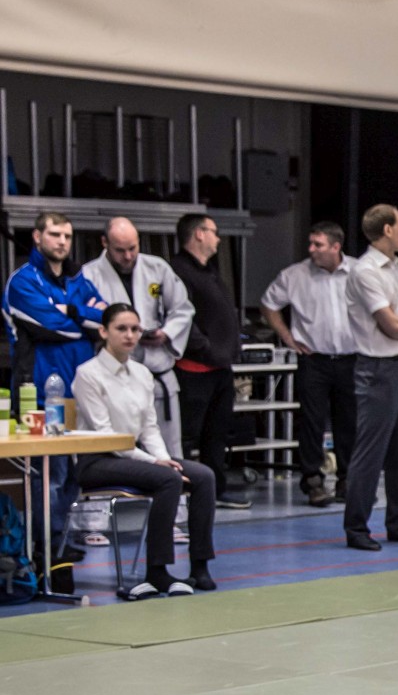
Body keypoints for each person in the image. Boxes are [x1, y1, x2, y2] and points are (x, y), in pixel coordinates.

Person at [72, 303, 217, 599]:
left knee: (204, 476)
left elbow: (149, 428)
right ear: (103, 332)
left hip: (134, 456)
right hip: (97, 459)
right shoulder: (87, 374)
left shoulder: (141, 373)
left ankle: (200, 565)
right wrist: (155, 463)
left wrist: (162, 458)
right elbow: (106, 436)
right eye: (121, 329)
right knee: (168, 479)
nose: (129, 335)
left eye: (135, 329)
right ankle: (157, 570)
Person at [1, 210, 106, 555]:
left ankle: (60, 543)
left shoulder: (78, 279)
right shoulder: (22, 281)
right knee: (50, 475)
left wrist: (71, 310)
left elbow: (106, 319)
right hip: (41, 395)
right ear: (37, 237)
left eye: (67, 236)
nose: (62, 242)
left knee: (76, 474)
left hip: (82, 390)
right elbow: (51, 326)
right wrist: (82, 317)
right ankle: (44, 548)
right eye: (54, 235)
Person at [342, 203, 398, 551]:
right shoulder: (365, 272)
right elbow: (392, 325)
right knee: (371, 450)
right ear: (387, 230)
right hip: (378, 368)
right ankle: (356, 527)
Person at [261, 222, 357, 508]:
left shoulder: (358, 272)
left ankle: (348, 480)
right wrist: (287, 336)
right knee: (311, 423)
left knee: (349, 422)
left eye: (318, 244)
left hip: (351, 358)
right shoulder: (295, 275)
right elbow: (268, 304)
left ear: (336, 247)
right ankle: (313, 481)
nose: (311, 249)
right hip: (314, 359)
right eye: (311, 243)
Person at [82, 217, 195, 458]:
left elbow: (182, 309)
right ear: (105, 243)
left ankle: (172, 481)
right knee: (122, 450)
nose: (128, 256)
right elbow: (86, 319)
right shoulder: (89, 275)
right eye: (120, 250)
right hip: (116, 378)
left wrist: (166, 333)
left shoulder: (157, 268)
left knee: (168, 450)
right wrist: (122, 332)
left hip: (157, 371)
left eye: (132, 248)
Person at [171, 212, 251, 510]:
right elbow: (180, 316)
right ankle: (181, 489)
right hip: (194, 369)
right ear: (199, 234)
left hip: (219, 368)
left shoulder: (210, 271)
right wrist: (204, 347)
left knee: (217, 435)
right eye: (214, 232)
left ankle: (214, 489)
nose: (218, 239)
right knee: (188, 435)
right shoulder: (178, 271)